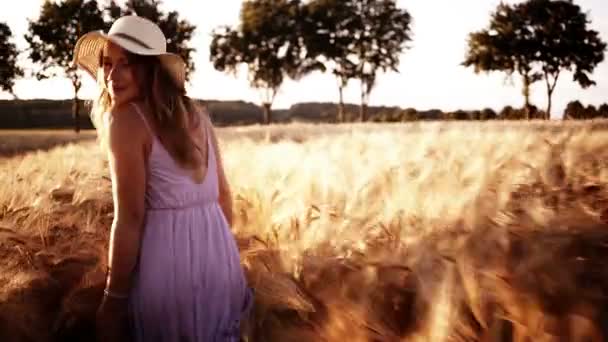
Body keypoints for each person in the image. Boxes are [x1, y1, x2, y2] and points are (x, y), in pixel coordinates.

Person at [72, 15, 253, 341]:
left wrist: (113, 301)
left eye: (127, 64)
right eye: (108, 63)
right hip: (221, 267)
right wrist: (209, 253)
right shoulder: (197, 115)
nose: (113, 75)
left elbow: (129, 219)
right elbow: (224, 202)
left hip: (166, 272)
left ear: (150, 69)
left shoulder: (126, 121)